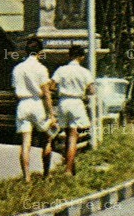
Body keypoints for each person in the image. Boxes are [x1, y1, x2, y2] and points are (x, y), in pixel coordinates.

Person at [11, 37, 54, 180]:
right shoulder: (41, 68)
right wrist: (52, 114)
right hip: (37, 104)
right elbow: (47, 93)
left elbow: (14, 88)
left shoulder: (17, 69)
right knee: (47, 139)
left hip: (22, 104)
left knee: (25, 143)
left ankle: (27, 177)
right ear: (40, 52)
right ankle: (46, 174)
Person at [50, 44, 96, 175]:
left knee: (66, 135)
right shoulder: (85, 72)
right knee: (73, 136)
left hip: (63, 102)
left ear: (69, 56)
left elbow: (52, 86)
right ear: (81, 57)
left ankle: (68, 163)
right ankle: (69, 169)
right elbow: (92, 91)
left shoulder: (61, 70)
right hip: (77, 103)